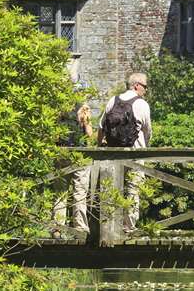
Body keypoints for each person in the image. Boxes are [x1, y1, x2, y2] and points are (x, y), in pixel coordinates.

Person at [99, 72, 151, 232]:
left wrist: (100, 149)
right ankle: (128, 226)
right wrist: (145, 148)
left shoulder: (112, 101)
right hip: (135, 154)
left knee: (114, 188)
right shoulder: (142, 104)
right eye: (145, 86)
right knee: (133, 189)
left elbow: (101, 127)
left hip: (113, 154)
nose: (146, 90)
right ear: (136, 85)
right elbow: (147, 131)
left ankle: (109, 225)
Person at [52, 101, 95, 235]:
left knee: (60, 192)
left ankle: (57, 228)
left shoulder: (59, 106)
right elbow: (89, 134)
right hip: (80, 154)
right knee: (80, 192)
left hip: (62, 153)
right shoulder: (83, 108)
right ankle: (80, 227)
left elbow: (54, 135)